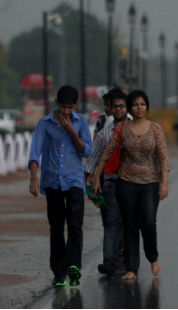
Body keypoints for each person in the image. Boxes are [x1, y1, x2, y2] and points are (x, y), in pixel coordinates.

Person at [92, 89, 169, 281]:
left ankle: (153, 258)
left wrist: (164, 183)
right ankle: (131, 268)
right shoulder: (121, 129)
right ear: (130, 108)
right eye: (135, 104)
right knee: (130, 225)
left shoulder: (155, 129)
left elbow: (163, 156)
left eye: (142, 104)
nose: (139, 107)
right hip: (126, 183)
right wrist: (96, 177)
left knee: (149, 222)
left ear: (146, 106)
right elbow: (106, 154)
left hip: (150, 183)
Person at [28, 85, 92, 287]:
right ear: (56, 103)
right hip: (52, 181)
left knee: (74, 226)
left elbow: (87, 151)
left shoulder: (80, 122)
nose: (66, 111)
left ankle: (74, 267)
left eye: (70, 107)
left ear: (75, 105)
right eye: (63, 107)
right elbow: (34, 151)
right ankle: (58, 271)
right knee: (56, 228)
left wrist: (71, 132)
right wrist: (33, 178)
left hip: (74, 181)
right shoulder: (44, 123)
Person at [84, 88, 128, 276]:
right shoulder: (106, 127)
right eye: (113, 106)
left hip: (132, 183)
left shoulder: (138, 126)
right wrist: (90, 179)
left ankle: (129, 258)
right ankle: (109, 262)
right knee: (110, 222)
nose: (116, 109)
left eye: (120, 106)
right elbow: (95, 155)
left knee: (130, 222)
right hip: (108, 181)